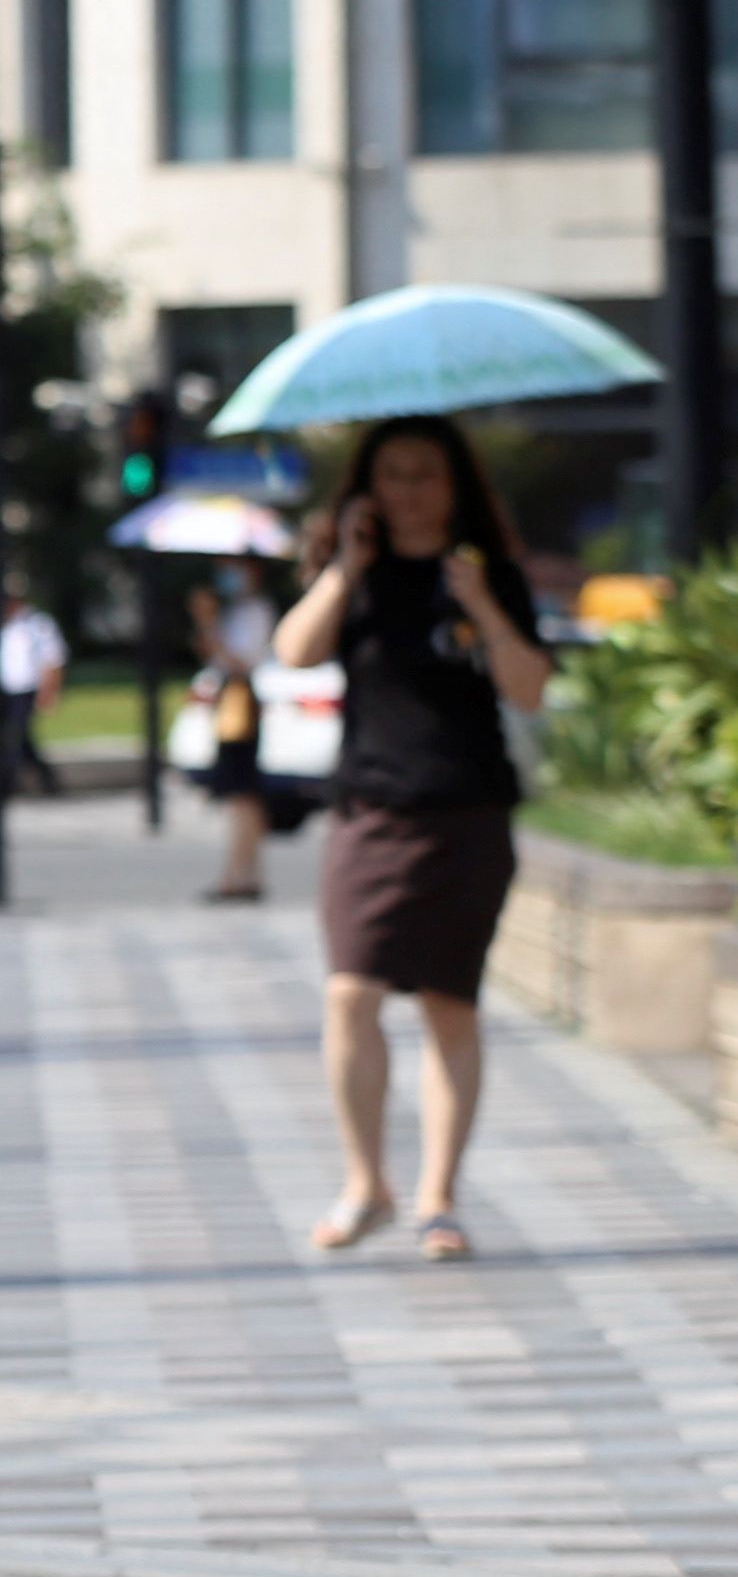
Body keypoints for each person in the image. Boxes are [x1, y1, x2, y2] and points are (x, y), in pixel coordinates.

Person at [269, 413, 548, 1262]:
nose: (409, 489)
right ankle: (366, 1184)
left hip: (468, 813)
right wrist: (346, 571)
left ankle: (438, 1197)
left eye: (426, 473)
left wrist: (479, 604)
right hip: (371, 810)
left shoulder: (489, 574)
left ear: (455, 484)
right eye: (393, 473)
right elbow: (295, 651)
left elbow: (529, 691)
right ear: (369, 486)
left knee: (448, 1005)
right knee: (350, 991)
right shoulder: (355, 574)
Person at [186, 570, 282, 901]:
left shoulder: (256, 610)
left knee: (241, 791)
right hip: (230, 696)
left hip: (241, 698)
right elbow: (212, 655)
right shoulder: (235, 610)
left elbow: (238, 661)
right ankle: (242, 873)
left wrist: (210, 623)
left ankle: (240, 875)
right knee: (238, 793)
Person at [0, 590, 69, 797]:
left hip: (27, 689)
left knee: (17, 734)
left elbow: (54, 658)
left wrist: (49, 691)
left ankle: (7, 784)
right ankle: (47, 780)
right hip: (5, 690)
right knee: (18, 737)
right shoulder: (4, 625)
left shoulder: (37, 623)